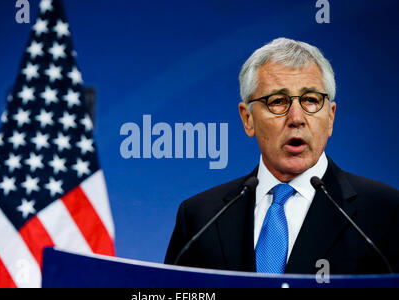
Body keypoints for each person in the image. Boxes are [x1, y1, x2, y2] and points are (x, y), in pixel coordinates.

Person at [164, 38, 399, 275]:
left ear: (330, 117)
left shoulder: (386, 212)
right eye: (277, 102)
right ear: (248, 119)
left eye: (311, 100)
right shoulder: (200, 217)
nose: (296, 118)